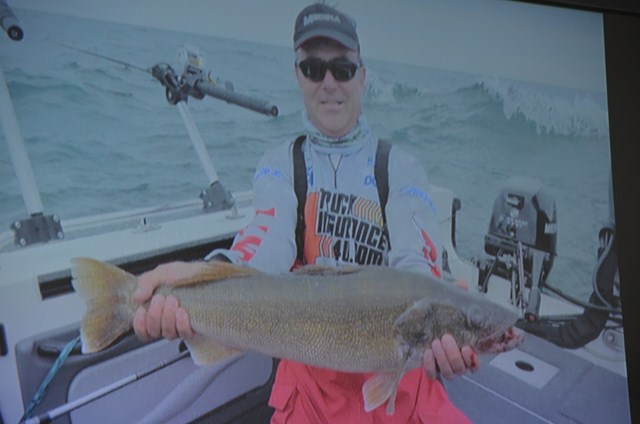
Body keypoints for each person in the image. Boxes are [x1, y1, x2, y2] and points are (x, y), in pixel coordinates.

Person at [133, 3, 477, 423]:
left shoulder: (400, 168)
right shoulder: (281, 165)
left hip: (401, 382)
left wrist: (447, 320)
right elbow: (260, 252)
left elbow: (416, 267)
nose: (329, 83)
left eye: (343, 69)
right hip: (310, 392)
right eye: (314, 69)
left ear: (363, 76)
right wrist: (194, 277)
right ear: (298, 75)